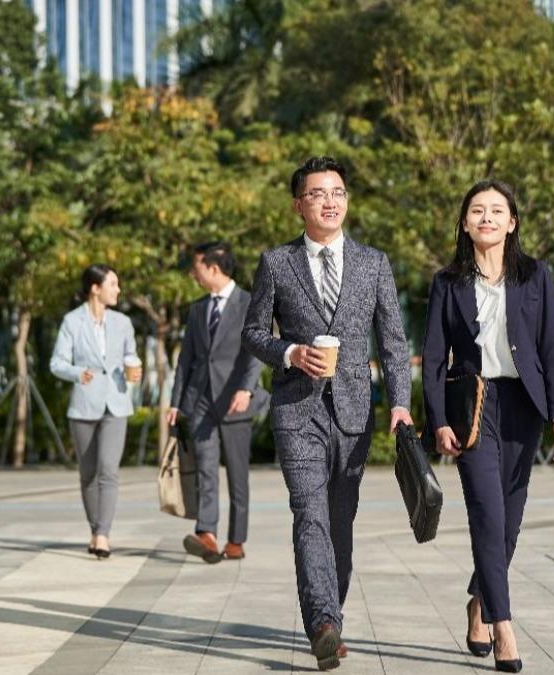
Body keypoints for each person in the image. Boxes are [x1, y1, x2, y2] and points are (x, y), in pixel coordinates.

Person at [243, 156, 414, 671]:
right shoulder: (276, 263)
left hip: (354, 411)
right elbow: (253, 334)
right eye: (318, 193)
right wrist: (291, 353)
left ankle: (330, 614)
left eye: (337, 192)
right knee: (309, 514)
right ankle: (322, 624)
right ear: (300, 204)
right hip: (297, 409)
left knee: (340, 521)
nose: (330, 201)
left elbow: (394, 342)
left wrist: (402, 403)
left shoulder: (373, 263)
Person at [422, 180, 554, 672]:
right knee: (487, 514)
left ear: (512, 222)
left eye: (496, 210)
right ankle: (503, 627)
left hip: (523, 407)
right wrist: (438, 419)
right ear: (465, 223)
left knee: (508, 522)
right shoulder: (448, 282)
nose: (486, 217)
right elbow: (431, 358)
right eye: (476, 210)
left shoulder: (535, 277)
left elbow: (553, 349)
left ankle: (478, 600)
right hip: (473, 407)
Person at [167, 241, 266, 563]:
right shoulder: (197, 309)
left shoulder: (250, 303)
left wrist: (246, 389)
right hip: (201, 404)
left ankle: (236, 540)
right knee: (206, 472)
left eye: (197, 268)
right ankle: (206, 534)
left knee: (238, 476)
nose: (193, 274)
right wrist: (176, 402)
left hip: (235, 400)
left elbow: (256, 352)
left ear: (213, 267)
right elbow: (186, 360)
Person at [50, 264, 143, 560]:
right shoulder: (72, 322)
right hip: (83, 406)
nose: (118, 290)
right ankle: (94, 530)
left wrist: (135, 370)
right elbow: (57, 363)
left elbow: (131, 356)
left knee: (108, 470)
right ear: (95, 288)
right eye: (113, 284)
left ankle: (103, 533)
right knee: (88, 473)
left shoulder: (123, 322)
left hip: (116, 404)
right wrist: (78, 373)